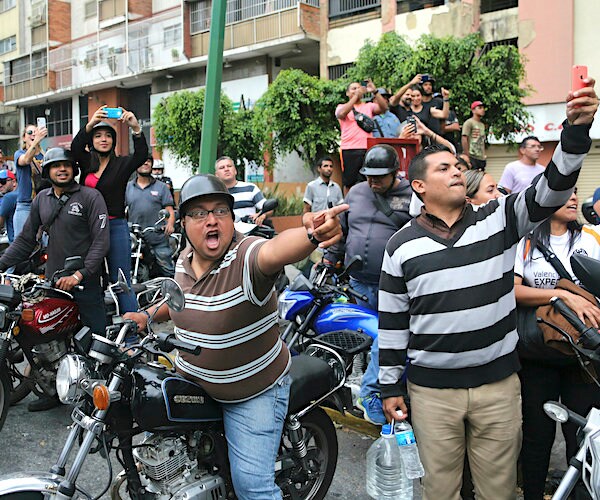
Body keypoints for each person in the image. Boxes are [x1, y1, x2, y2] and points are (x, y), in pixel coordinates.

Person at [378, 77, 598, 500]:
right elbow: (392, 322)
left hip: (498, 388)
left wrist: (574, 131)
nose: (457, 170)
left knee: (498, 490)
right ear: (419, 186)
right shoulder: (400, 246)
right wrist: (389, 387)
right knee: (440, 490)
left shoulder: (498, 219)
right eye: (444, 168)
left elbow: (551, 190)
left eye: (458, 166)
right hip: (431, 394)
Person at [124, 173, 347, 499]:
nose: (211, 221)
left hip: (253, 391)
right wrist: (145, 316)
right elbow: (179, 302)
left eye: (220, 211)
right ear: (183, 223)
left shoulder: (247, 256)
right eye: (199, 214)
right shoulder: (184, 260)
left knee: (252, 487)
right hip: (194, 383)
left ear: (232, 218)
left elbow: (275, 250)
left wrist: (312, 234)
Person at [0, 148, 109, 411]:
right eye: (55, 166)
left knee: (94, 343)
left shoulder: (90, 197)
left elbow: (101, 242)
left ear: (74, 169)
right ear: (47, 171)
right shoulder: (42, 200)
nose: (61, 169)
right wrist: (1, 263)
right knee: (45, 338)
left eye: (66, 165)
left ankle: (98, 397)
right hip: (52, 282)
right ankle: (52, 390)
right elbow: (26, 240)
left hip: (85, 281)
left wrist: (80, 274)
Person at [515, 189, 600, 500]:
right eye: (566, 194)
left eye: (576, 193)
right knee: (537, 434)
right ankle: (533, 493)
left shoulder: (589, 238)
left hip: (583, 354)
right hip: (538, 349)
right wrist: (562, 295)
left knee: (583, 434)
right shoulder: (525, 240)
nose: (574, 199)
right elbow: (514, 290)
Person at [323, 144, 412, 425]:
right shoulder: (357, 192)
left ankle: (374, 394)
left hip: (394, 287)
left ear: (395, 172)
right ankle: (348, 386)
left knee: (386, 340)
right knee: (361, 341)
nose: (373, 181)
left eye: (379, 176)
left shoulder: (412, 195)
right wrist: (329, 261)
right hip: (359, 282)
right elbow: (343, 232)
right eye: (368, 175)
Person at [71, 105, 148, 313]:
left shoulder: (122, 164)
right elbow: (75, 147)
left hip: (115, 226)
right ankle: (97, 329)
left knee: (121, 280)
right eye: (98, 136)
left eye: (108, 136)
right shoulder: (86, 162)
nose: (103, 139)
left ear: (113, 141)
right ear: (92, 141)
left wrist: (135, 128)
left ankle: (131, 335)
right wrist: (91, 123)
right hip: (88, 228)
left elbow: (141, 155)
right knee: (89, 278)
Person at [126, 155, 176, 277]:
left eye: (148, 161)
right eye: (142, 161)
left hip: (158, 238)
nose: (145, 164)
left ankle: (176, 293)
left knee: (168, 271)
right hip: (136, 240)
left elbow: (170, 210)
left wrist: (169, 224)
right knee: (126, 271)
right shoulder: (127, 187)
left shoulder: (162, 187)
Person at [336, 79, 388, 193]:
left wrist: (375, 91)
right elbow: (341, 114)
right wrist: (355, 97)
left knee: (368, 179)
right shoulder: (341, 106)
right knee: (349, 182)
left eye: (358, 88)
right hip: (349, 149)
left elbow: (384, 108)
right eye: (353, 89)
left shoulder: (369, 106)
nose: (356, 91)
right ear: (347, 93)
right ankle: (348, 206)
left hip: (367, 148)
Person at [214, 155, 273, 225]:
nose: (226, 169)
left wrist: (262, 215)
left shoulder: (251, 188)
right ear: (216, 175)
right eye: (222, 168)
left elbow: (268, 209)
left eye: (229, 166)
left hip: (250, 233)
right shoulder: (214, 195)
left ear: (235, 171)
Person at [13, 124, 49, 237]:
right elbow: (26, 160)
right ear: (24, 137)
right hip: (26, 205)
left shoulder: (46, 155)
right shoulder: (19, 154)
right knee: (23, 244)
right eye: (30, 133)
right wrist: (36, 140)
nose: (33, 134)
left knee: (48, 244)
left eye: (36, 131)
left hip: (45, 204)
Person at [461, 100, 487, 170]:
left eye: (483, 108)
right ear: (473, 110)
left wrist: (484, 155)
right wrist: (467, 155)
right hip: (472, 156)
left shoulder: (482, 125)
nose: (482, 110)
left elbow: (482, 140)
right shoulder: (469, 122)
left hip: (480, 157)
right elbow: (464, 138)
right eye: (480, 108)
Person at [0, 170, 18, 242]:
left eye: (3, 181)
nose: (0, 185)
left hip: (15, 243)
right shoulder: (23, 194)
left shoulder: (9, 197)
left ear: (13, 182)